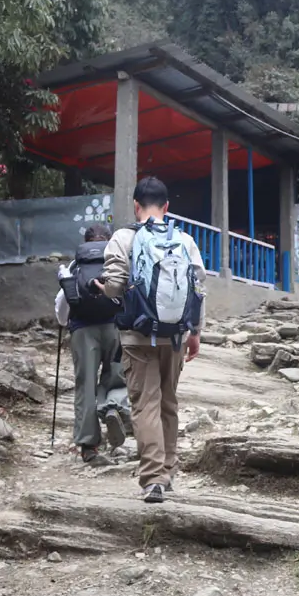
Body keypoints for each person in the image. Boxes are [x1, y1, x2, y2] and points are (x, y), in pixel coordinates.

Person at [95, 177, 206, 503]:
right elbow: (199, 288)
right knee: (168, 402)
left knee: (146, 406)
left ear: (136, 206)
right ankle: (168, 472)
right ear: (167, 207)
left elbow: (115, 286)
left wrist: (105, 290)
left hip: (136, 335)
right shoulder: (184, 240)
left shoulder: (122, 237)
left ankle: (153, 478)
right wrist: (195, 332)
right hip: (174, 336)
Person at [55, 223, 128, 468]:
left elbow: (62, 307)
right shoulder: (117, 260)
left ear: (85, 241)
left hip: (83, 331)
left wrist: (66, 322)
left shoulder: (75, 266)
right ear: (109, 239)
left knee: (85, 384)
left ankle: (88, 445)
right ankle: (113, 408)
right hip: (115, 327)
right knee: (117, 377)